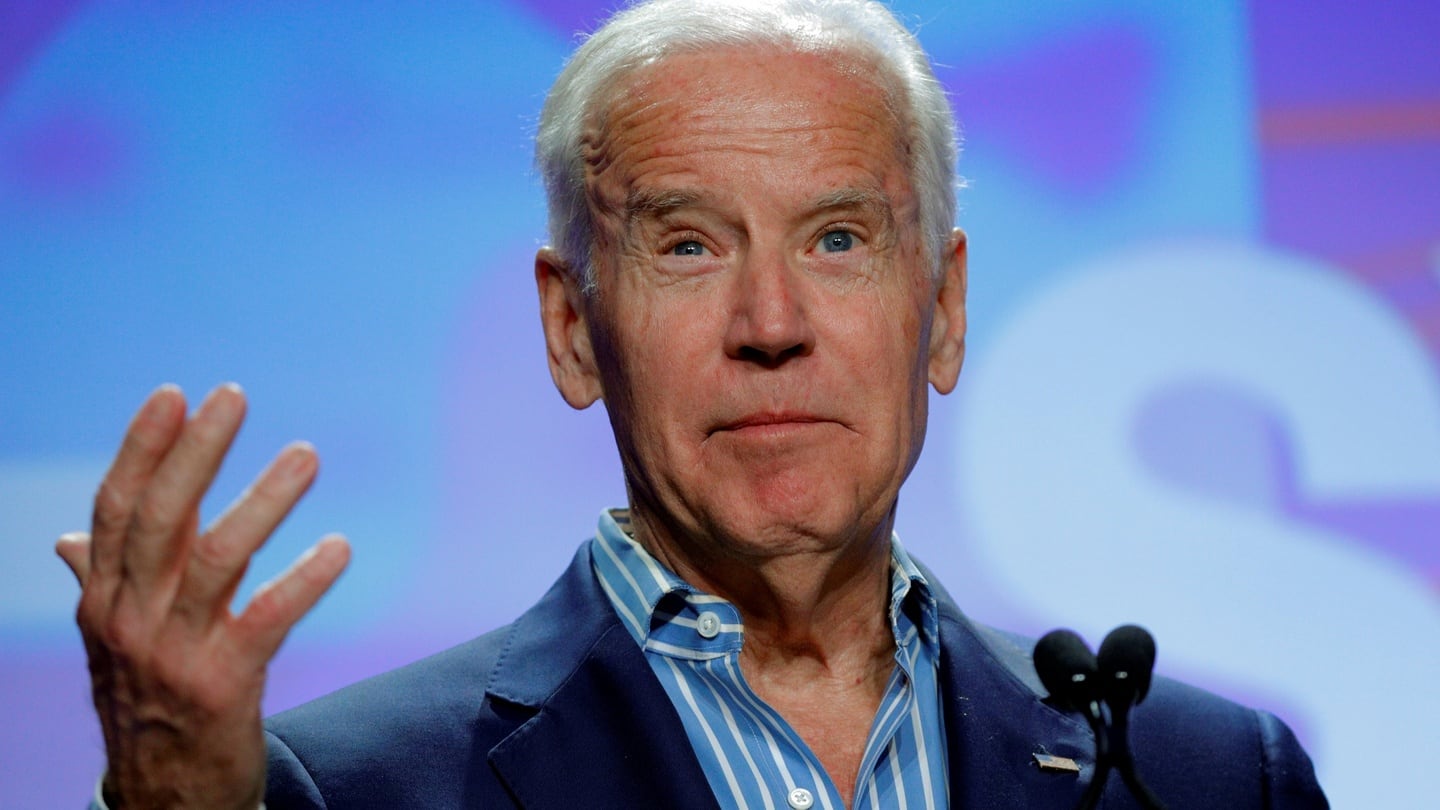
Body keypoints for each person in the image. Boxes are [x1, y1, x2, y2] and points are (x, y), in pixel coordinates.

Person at [57, 1, 1328, 807]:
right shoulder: (348, 790)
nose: (772, 325)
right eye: (687, 247)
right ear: (572, 329)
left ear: (940, 309)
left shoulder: (1207, 778)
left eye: (838, 240)